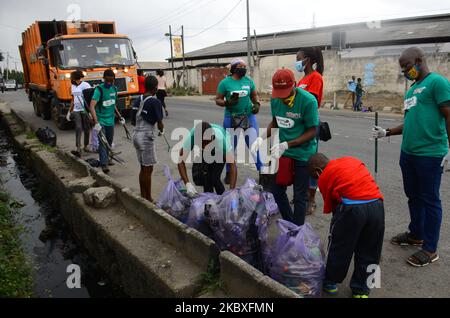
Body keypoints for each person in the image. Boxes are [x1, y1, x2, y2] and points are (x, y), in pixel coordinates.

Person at [372, 47, 450, 267]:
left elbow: (448, 114)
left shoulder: (437, 83)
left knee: (430, 199)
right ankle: (416, 234)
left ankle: (430, 248)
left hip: (430, 154)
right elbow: (410, 122)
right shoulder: (411, 90)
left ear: (419, 60)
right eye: (403, 68)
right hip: (408, 154)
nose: (405, 71)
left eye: (407, 66)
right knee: (413, 196)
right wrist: (387, 132)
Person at [308, 153, 385, 298]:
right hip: (377, 205)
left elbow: (331, 207)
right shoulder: (351, 160)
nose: (316, 179)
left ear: (318, 170)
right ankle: (362, 291)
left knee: (340, 248)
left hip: (352, 209)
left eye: (314, 175)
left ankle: (331, 282)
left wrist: (338, 228)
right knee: (372, 251)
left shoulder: (324, 177)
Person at [251, 69, 318, 226]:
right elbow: (275, 122)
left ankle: (297, 231)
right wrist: (261, 138)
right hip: (283, 153)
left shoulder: (308, 101)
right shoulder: (276, 99)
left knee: (300, 196)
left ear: (294, 85)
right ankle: (290, 223)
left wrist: (288, 144)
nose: (282, 96)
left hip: (303, 153)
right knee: (277, 190)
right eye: (278, 92)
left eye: (285, 92)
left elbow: (313, 131)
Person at [216, 58, 262, 184]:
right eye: (240, 66)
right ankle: (229, 172)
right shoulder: (225, 83)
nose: (243, 68)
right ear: (234, 68)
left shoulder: (248, 81)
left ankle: (262, 172)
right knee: (230, 148)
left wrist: (256, 104)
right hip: (231, 118)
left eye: (244, 66)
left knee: (254, 145)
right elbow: (218, 100)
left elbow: (254, 95)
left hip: (248, 117)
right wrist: (227, 102)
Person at [296, 47, 325, 215]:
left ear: (307, 60)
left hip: (310, 124)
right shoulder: (302, 79)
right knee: (299, 161)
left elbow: (311, 100)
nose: (297, 62)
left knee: (311, 162)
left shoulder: (316, 77)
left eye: (298, 58)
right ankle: (302, 195)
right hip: (298, 124)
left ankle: (312, 200)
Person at [178, 121, 237, 196]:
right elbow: (180, 161)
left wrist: (232, 191)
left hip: (219, 150)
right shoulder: (193, 136)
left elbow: (232, 165)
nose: (204, 146)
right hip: (208, 147)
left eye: (206, 143)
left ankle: (224, 199)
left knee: (214, 178)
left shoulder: (220, 139)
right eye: (202, 144)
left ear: (212, 137)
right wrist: (187, 184)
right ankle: (208, 202)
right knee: (206, 177)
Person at [132, 75, 164, 203]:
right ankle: (148, 198)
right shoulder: (155, 101)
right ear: (156, 88)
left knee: (142, 167)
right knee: (148, 169)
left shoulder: (138, 99)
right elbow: (160, 122)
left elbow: (133, 120)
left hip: (136, 135)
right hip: (146, 136)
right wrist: (161, 130)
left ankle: (143, 195)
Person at [89, 69, 126, 174]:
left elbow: (113, 104)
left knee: (109, 141)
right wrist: (96, 123)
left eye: (111, 80)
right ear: (104, 79)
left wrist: (120, 117)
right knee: (102, 142)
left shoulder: (114, 89)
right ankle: (104, 164)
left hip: (111, 120)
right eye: (108, 80)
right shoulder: (99, 90)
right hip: (100, 120)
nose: (109, 83)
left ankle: (108, 159)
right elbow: (92, 106)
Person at [67, 70, 92, 155]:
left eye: (72, 77)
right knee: (78, 128)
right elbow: (73, 99)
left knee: (87, 128)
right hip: (76, 110)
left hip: (85, 109)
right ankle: (78, 147)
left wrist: (90, 111)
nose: (71, 79)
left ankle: (86, 145)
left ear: (76, 77)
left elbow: (89, 98)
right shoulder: (73, 86)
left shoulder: (86, 85)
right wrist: (69, 111)